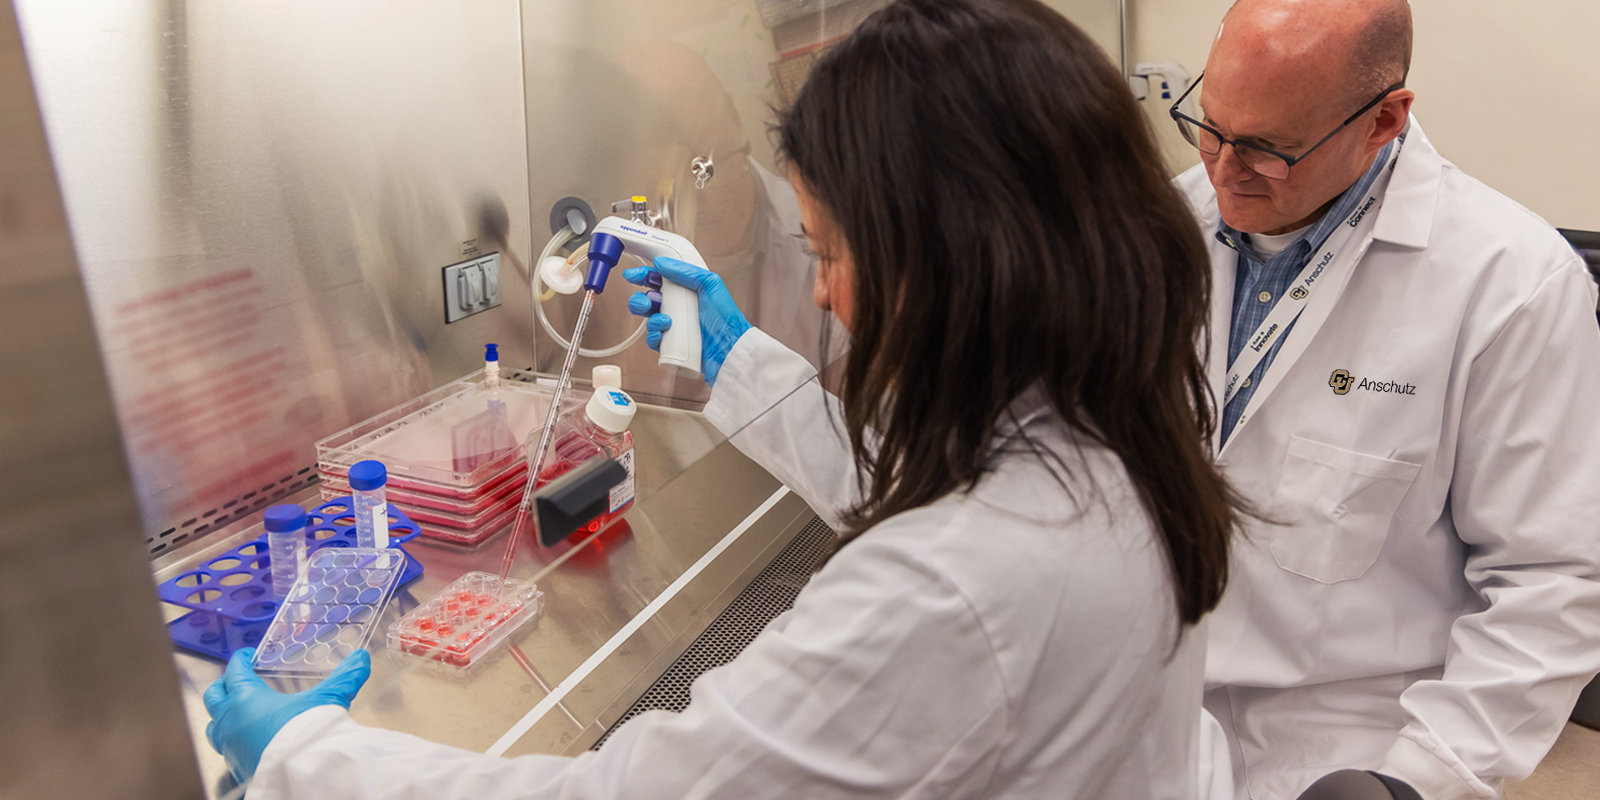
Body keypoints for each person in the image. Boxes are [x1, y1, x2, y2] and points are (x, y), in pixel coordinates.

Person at [202, 1, 1241, 797]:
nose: (825, 291)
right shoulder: (1119, 433)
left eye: (833, 253)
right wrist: (733, 356)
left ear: (948, 265)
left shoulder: (946, 593)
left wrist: (304, 756)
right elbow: (917, 495)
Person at [1168, 1, 1600, 798]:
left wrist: (1416, 779)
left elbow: (1553, 583)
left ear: (1384, 120)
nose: (1224, 171)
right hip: (1151, 722)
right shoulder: (1163, 224)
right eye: (1210, 127)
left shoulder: (1509, 283)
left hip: (1350, 750)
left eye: (1268, 148)